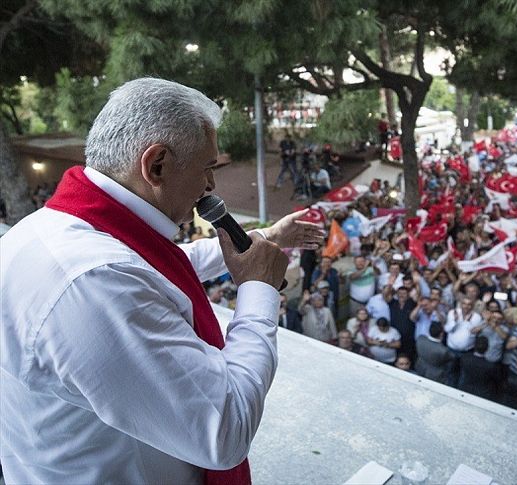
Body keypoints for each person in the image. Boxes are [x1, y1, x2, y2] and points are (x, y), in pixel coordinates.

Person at [0, 78, 325, 484]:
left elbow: (151, 271)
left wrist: (265, 240)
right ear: (156, 165)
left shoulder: (51, 231)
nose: (211, 187)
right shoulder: (95, 284)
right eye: (207, 168)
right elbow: (226, 428)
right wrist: (257, 290)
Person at [458, 336, 500, 400]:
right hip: (481, 394)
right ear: (487, 348)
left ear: (474, 346)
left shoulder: (464, 358)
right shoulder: (490, 366)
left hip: (463, 389)